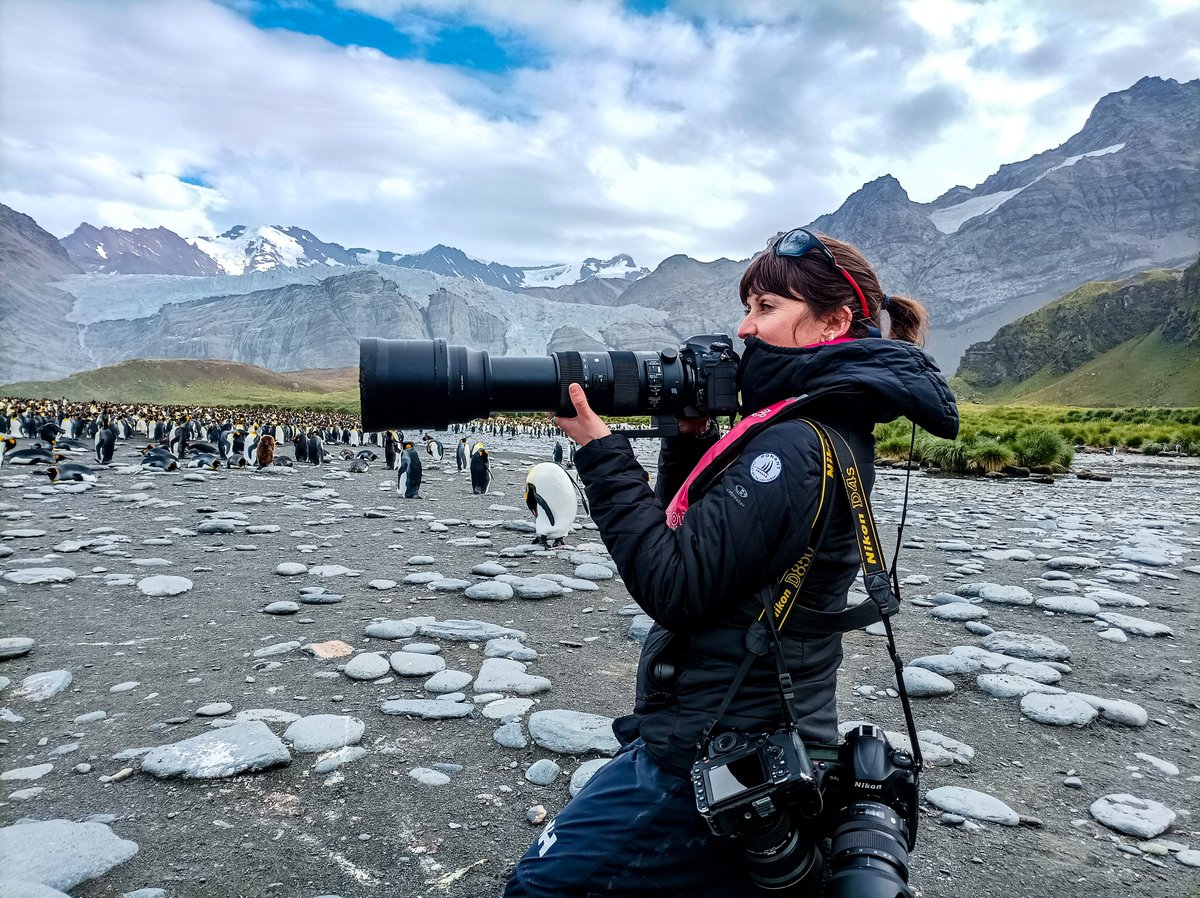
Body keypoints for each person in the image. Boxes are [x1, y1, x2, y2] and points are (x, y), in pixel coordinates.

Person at [504, 228, 958, 897]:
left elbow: (674, 584)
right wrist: (686, 443)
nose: (745, 329)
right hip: (734, 723)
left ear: (833, 321)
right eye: (746, 308)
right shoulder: (812, 424)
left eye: (766, 307)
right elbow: (701, 551)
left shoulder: (796, 445)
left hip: (725, 747)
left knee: (543, 889)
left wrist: (601, 452)